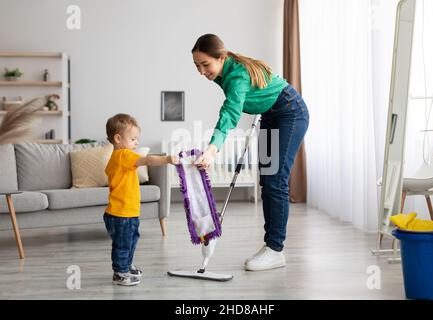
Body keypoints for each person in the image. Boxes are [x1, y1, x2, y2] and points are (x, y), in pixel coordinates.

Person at [192, 34, 309, 271]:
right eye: (197, 66)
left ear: (221, 57)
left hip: (290, 113)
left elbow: (230, 113)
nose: (202, 71)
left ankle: (276, 250)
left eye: (205, 65)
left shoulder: (236, 75)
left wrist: (212, 149)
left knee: (276, 181)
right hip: (270, 114)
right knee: (266, 180)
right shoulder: (223, 72)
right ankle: (270, 247)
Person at [104, 113, 178, 285]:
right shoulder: (124, 155)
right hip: (121, 214)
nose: (136, 143)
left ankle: (126, 265)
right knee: (123, 245)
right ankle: (120, 273)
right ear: (118, 138)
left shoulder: (117, 159)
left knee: (130, 240)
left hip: (125, 212)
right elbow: (147, 160)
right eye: (133, 139)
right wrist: (167, 159)